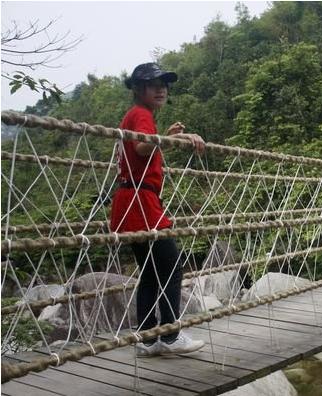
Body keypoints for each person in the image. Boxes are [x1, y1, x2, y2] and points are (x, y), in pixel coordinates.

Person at [110, 63, 206, 357]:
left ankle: (149, 339)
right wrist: (176, 139)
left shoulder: (137, 116)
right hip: (140, 201)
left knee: (151, 273)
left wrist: (164, 137)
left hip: (132, 199)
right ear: (138, 89)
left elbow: (142, 147)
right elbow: (141, 148)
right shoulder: (141, 114)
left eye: (164, 84)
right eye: (154, 85)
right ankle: (170, 334)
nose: (161, 89)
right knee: (170, 265)